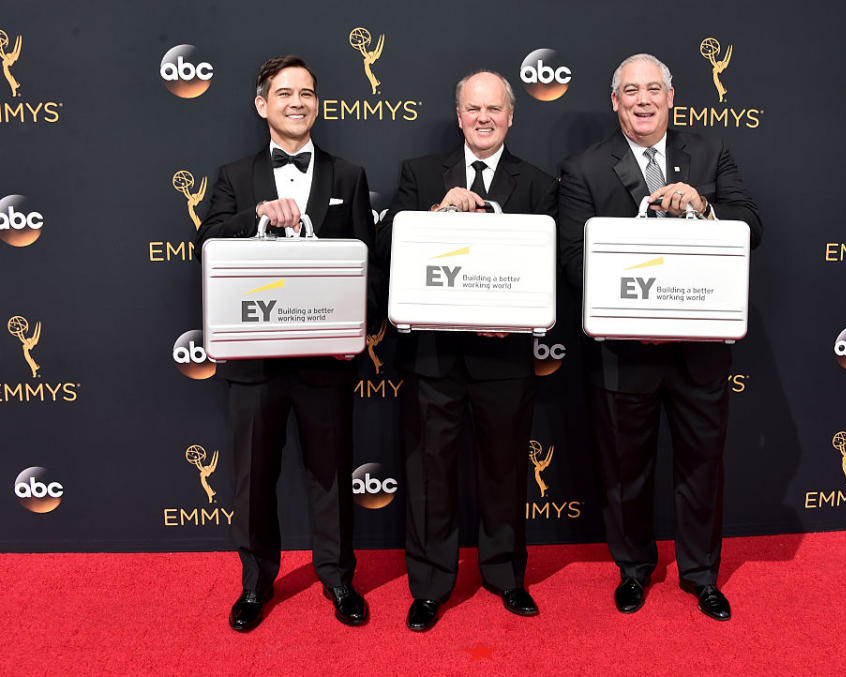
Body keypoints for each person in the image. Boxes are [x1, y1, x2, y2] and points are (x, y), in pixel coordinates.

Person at [558, 53, 762, 621]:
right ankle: (633, 569)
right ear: (615, 103)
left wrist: (704, 205)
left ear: (671, 98)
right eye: (630, 91)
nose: (643, 100)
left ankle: (701, 576)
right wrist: (634, 310)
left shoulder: (710, 155)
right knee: (625, 468)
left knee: (702, 466)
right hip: (624, 354)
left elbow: (752, 227)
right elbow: (571, 261)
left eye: (653, 90)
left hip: (699, 352)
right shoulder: (583, 169)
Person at [196, 55, 378, 632]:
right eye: (284, 93)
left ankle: (338, 580)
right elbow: (206, 238)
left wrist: (362, 328)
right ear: (262, 104)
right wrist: (256, 215)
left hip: (325, 359)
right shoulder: (232, 175)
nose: (297, 101)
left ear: (317, 103)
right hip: (254, 359)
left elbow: (367, 259)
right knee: (253, 479)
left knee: (331, 473)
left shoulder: (348, 175)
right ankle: (255, 585)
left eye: (306, 92)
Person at [376, 71, 557, 632]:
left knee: (504, 472)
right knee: (430, 474)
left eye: (494, 109)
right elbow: (387, 252)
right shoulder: (420, 175)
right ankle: (430, 586)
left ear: (511, 117)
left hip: (504, 361)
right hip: (433, 360)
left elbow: (551, 268)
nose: (483, 118)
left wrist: (517, 316)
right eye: (473, 108)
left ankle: (506, 577)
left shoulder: (538, 183)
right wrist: (435, 213)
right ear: (458, 116)